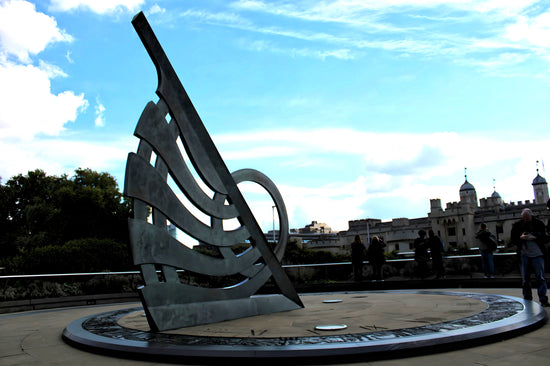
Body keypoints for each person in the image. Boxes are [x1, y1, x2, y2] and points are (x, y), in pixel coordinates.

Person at [511, 208, 549, 307]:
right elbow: (513, 239)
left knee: (540, 278)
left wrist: (535, 237)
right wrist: (521, 238)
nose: (526, 220)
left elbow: (545, 239)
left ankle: (543, 299)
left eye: (527, 218)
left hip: (537, 254)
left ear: (531, 216)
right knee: (525, 279)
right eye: (524, 218)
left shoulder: (539, 224)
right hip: (524, 255)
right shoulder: (517, 225)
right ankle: (528, 300)